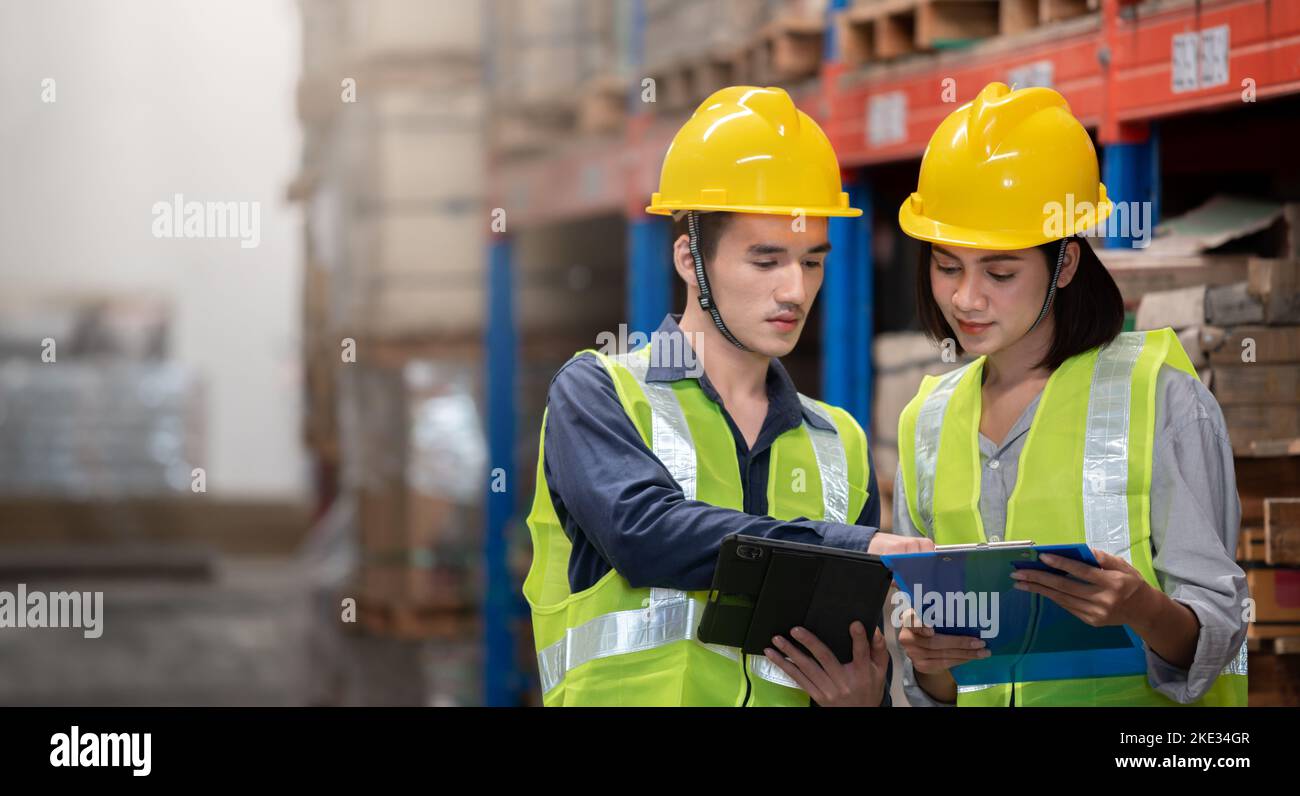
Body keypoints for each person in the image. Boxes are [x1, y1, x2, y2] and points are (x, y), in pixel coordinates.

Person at [523, 85, 932, 707]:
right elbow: (645, 533)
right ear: (691, 259)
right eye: (766, 262)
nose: (795, 290)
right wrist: (855, 545)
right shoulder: (599, 391)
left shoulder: (838, 442)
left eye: (812, 262)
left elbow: (849, 650)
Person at [892, 82, 1248, 706]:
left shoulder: (1159, 399)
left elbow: (1218, 633)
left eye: (1000, 273)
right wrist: (929, 663)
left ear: (1065, 264)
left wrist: (1140, 606)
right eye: (947, 266)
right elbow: (937, 687)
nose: (965, 299)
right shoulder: (927, 420)